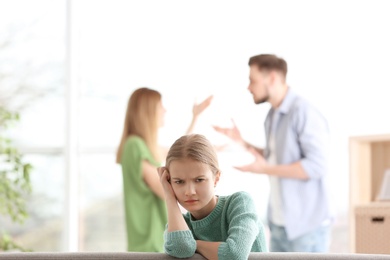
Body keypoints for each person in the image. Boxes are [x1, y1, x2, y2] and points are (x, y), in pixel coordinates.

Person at [213, 54, 332, 252]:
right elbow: (274, 157)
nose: (249, 87)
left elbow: (317, 166)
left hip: (305, 227)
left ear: (273, 78)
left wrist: (265, 169)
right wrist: (241, 142)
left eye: (253, 80)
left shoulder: (303, 112)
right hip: (278, 224)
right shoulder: (272, 115)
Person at [116, 87, 212, 252]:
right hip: (148, 243)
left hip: (153, 241)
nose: (165, 110)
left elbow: (180, 152)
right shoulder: (135, 146)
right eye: (161, 106)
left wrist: (195, 117)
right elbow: (164, 188)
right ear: (148, 111)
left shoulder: (143, 146)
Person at [158, 134, 268, 259]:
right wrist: (169, 196)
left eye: (199, 180)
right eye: (178, 182)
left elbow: (234, 254)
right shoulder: (181, 224)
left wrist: (195, 244)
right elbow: (181, 248)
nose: (189, 191)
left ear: (216, 178)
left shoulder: (240, 203)